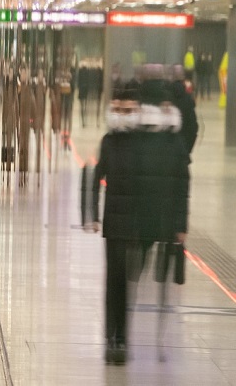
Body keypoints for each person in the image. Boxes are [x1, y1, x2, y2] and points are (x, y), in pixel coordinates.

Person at [92, 92, 141, 364]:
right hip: (114, 224)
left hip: (134, 224)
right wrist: (91, 213)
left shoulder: (141, 143)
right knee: (114, 281)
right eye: (119, 110)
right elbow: (97, 174)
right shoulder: (108, 142)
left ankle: (121, 336)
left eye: (128, 109)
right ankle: (113, 336)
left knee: (126, 282)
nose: (123, 115)